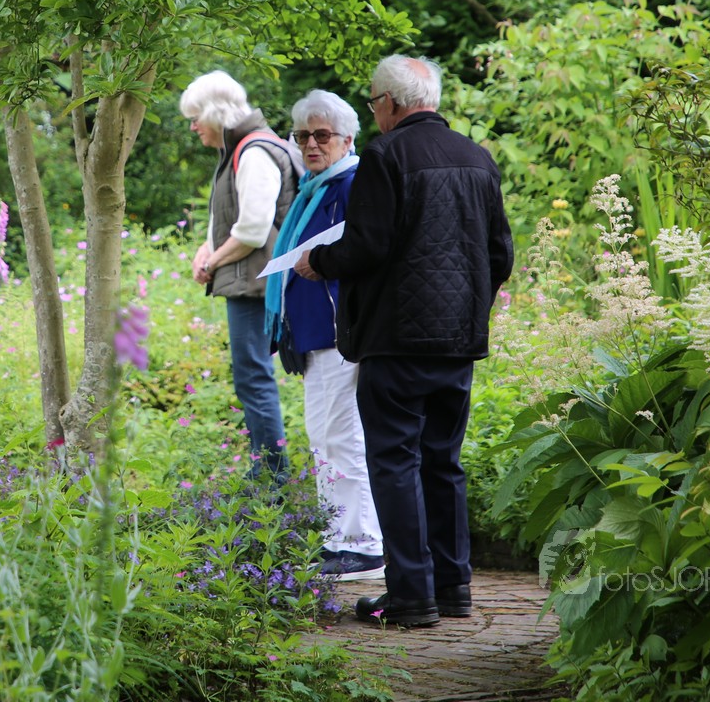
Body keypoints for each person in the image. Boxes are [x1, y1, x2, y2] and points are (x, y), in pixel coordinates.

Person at [294, 55, 514, 628]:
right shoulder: (477, 157)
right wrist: (468, 308)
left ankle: (412, 596)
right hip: (457, 341)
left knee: (395, 462)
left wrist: (319, 261)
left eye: (373, 103)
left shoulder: (386, 155)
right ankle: (453, 587)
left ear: (389, 103)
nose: (374, 113)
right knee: (443, 462)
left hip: (395, 339)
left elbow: (368, 245)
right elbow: (500, 254)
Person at [265, 90, 385, 581]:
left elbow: (360, 253)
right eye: (302, 136)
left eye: (321, 135)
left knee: (341, 436)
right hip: (313, 335)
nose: (311, 145)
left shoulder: (352, 185)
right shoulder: (313, 189)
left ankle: (362, 545)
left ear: (347, 139)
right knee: (324, 437)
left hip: (340, 334)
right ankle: (338, 539)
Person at [180, 70, 298, 482]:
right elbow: (230, 218)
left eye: (196, 118)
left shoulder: (253, 152)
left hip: (256, 284)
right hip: (251, 280)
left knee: (253, 379)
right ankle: (266, 473)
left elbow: (251, 231)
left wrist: (211, 263)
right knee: (251, 377)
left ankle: (271, 479)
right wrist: (206, 249)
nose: (193, 127)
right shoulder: (240, 150)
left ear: (217, 113)